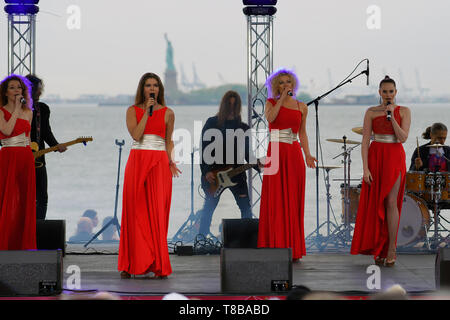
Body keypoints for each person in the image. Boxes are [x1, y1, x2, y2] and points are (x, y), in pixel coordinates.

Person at [118, 72, 180, 279]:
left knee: (156, 213)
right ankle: (131, 263)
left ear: (160, 89)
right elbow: (136, 135)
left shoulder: (169, 113)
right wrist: (147, 113)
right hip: (137, 161)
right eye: (148, 85)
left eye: (155, 85)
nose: (152, 88)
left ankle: (156, 263)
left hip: (159, 164)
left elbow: (168, 140)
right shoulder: (132, 110)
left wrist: (171, 160)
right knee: (134, 211)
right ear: (142, 89)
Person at [351, 76, 411, 267]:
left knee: (392, 202)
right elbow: (365, 141)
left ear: (396, 92)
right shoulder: (370, 112)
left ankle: (392, 249)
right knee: (376, 203)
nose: (388, 95)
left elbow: (403, 138)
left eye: (391, 91)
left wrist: (392, 116)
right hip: (376, 157)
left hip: (394, 156)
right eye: (384, 91)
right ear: (379, 92)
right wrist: (365, 168)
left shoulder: (405, 111)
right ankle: (378, 248)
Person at [257, 68, 317, 261]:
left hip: (294, 153)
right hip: (275, 152)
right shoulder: (271, 102)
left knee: (292, 200)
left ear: (293, 85)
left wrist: (307, 154)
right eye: (281, 82)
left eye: (288, 82)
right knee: (275, 199)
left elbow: (302, 133)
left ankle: (293, 248)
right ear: (276, 86)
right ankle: (275, 245)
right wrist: (281, 99)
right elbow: (271, 118)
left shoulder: (302, 107)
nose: (285, 85)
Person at [199, 90, 261, 237]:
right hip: (214, 174)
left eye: (235, 105)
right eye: (229, 104)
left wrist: (258, 165)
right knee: (209, 207)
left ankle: (249, 240)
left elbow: (248, 154)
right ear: (224, 105)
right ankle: (201, 239)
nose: (232, 108)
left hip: (237, 174)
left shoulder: (244, 127)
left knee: (245, 207)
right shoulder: (212, 123)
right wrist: (207, 171)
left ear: (238, 106)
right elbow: (204, 149)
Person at [0, 74, 36, 250]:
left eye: (19, 87)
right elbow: (6, 131)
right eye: (12, 87)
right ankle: (6, 242)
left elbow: (27, 137)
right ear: (5, 92)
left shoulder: (29, 112)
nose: (16, 90)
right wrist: (15, 109)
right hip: (8, 156)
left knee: (24, 199)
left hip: (25, 156)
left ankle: (23, 244)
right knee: (8, 197)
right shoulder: (1, 111)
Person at [26, 74, 67, 220]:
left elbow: (45, 132)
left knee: (42, 196)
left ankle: (39, 229)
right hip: (21, 157)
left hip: (39, 158)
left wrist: (56, 145)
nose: (40, 91)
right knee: (24, 196)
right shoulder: (17, 108)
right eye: (38, 88)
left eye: (40, 88)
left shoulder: (43, 108)